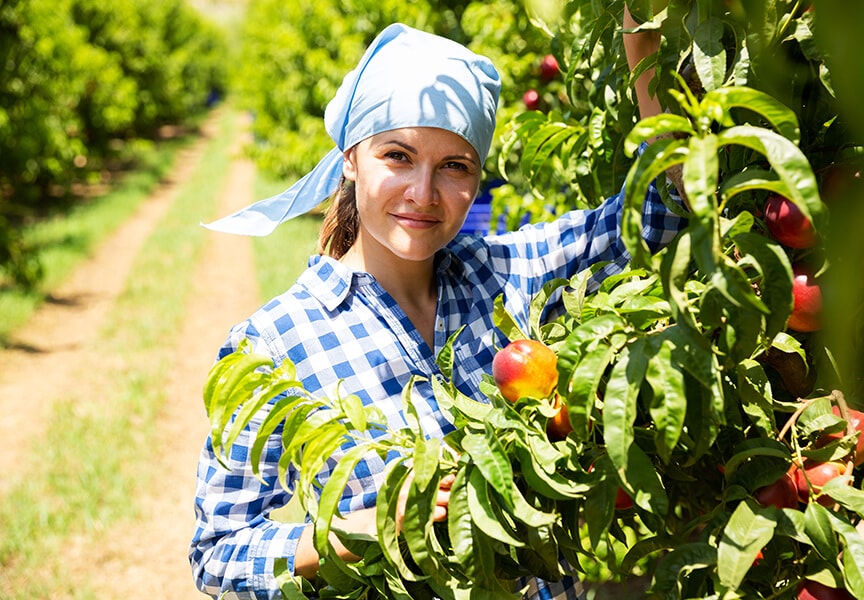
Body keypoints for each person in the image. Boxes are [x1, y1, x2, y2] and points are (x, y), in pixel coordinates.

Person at [190, 13, 686, 600]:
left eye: (455, 167)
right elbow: (217, 557)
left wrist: (641, 44)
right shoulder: (274, 343)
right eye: (398, 156)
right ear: (352, 159)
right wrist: (363, 528)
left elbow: (661, 206)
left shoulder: (504, 273)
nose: (423, 195)